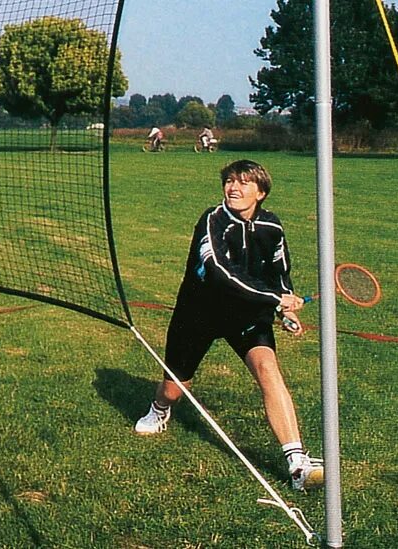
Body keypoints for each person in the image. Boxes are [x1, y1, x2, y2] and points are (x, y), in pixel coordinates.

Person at [133, 159, 323, 492]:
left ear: (260, 192)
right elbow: (220, 273)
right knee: (176, 388)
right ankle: (159, 408)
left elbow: (278, 274)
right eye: (230, 181)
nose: (234, 187)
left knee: (268, 369)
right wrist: (274, 299)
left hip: (247, 316)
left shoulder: (272, 227)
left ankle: (297, 464)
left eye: (244, 182)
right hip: (198, 314)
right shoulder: (212, 220)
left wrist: (285, 309)